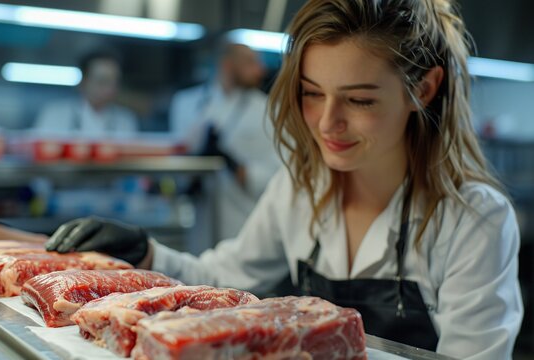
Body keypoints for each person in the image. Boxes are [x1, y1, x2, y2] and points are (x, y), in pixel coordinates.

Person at [45, 0, 523, 359]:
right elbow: (221, 278)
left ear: (423, 88)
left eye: (359, 101)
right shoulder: (301, 191)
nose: (327, 123)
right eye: (313, 94)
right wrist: (143, 252)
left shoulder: (472, 218)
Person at [169, 42, 280, 239]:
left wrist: (235, 166)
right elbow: (176, 167)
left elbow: (278, 173)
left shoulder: (269, 110)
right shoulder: (186, 104)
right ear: (227, 65)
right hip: (199, 222)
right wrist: (197, 161)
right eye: (251, 62)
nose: (260, 70)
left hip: (245, 221)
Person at [34, 49, 138, 137]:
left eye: (114, 81)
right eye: (102, 81)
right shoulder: (54, 114)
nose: (110, 89)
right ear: (83, 82)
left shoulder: (126, 120)